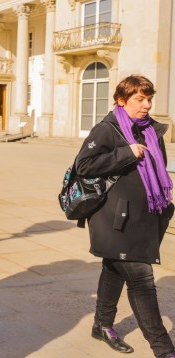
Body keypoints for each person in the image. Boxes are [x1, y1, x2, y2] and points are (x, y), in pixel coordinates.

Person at [76, 75, 175, 358]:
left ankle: (102, 325)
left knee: (113, 268)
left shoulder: (152, 130)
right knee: (141, 279)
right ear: (121, 100)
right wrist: (125, 153)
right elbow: (84, 165)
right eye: (139, 99)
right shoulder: (107, 129)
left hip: (144, 216)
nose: (146, 105)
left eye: (149, 99)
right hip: (115, 219)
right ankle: (164, 349)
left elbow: (158, 168)